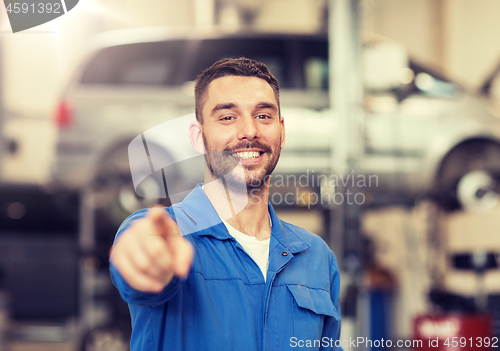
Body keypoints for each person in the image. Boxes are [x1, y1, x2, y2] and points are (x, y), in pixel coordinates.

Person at [110, 57, 342, 351]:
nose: (249, 131)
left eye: (264, 116)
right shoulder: (166, 233)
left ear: (281, 132)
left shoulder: (316, 257)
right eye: (228, 117)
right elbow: (140, 263)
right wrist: (147, 257)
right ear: (199, 136)